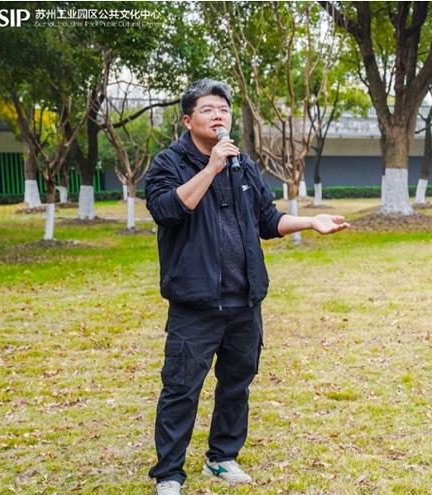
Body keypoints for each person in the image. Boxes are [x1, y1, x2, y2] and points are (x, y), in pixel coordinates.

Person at [145, 79, 349, 495]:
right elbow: (167, 210)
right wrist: (211, 168)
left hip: (244, 300)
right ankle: (169, 474)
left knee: (236, 384)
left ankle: (221, 457)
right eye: (207, 110)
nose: (218, 116)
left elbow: (267, 220)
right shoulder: (169, 163)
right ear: (187, 121)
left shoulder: (243, 165)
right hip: (195, 303)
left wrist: (310, 221)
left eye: (223, 109)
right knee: (181, 388)